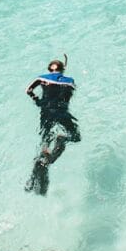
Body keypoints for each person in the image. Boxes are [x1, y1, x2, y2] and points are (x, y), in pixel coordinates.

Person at [24, 58, 80, 195]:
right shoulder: (69, 80)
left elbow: (28, 90)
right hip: (61, 112)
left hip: (46, 112)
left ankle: (42, 160)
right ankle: (59, 143)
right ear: (62, 69)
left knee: (46, 141)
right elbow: (69, 95)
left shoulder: (41, 78)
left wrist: (38, 101)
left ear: (50, 69)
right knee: (75, 137)